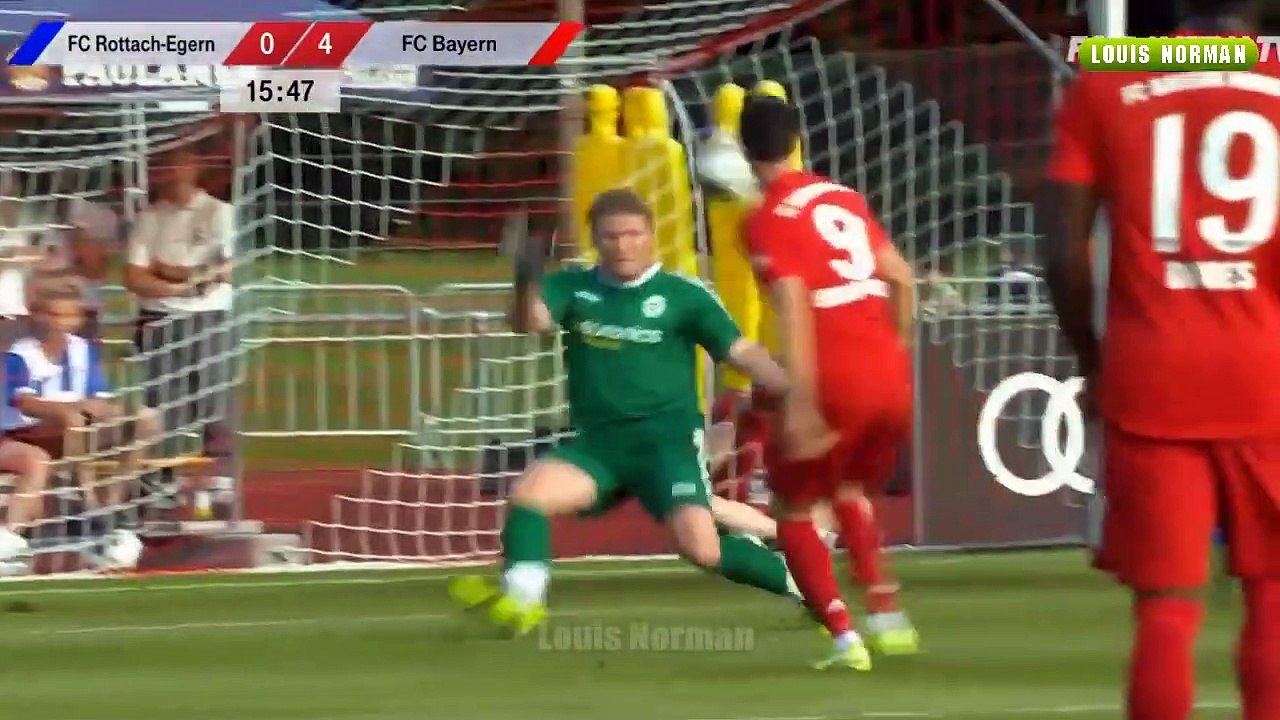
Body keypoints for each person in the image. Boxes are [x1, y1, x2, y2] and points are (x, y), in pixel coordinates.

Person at [1042, 2, 1280, 717]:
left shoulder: (1107, 82)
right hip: (1266, 375)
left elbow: (1063, 253)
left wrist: (1092, 361)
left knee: (1168, 608)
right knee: (1273, 592)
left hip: (1150, 375)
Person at [449, 188, 806, 635]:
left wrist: (790, 386)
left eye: (633, 234)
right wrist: (525, 283)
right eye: (611, 236)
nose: (623, 245)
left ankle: (804, 586)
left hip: (667, 448)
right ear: (596, 240)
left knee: (703, 550)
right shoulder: (575, 287)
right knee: (529, 496)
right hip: (600, 447)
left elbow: (739, 350)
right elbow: (530, 322)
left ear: (651, 235)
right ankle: (524, 601)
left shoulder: (683, 295)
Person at [737, 95, 919, 670]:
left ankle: (845, 637)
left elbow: (793, 303)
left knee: (792, 506)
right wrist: (896, 352)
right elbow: (903, 279)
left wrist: (802, 398)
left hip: (832, 375)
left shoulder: (764, 218)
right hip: (889, 373)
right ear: (797, 141)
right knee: (848, 487)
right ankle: (887, 614)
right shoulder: (845, 197)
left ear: (745, 151)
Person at [124, 145, 236, 494]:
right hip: (158, 318)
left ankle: (221, 475)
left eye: (179, 165)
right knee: (161, 405)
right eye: (166, 167)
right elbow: (134, 277)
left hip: (208, 318)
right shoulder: (150, 217)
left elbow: (224, 270)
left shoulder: (219, 212)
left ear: (194, 168)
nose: (172, 174)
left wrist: (168, 271)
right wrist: (184, 284)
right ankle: (162, 479)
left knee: (213, 398)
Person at [3, 287, 160, 516]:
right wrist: (75, 407)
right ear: (39, 316)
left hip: (84, 425)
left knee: (146, 418)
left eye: (69, 315)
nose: (61, 323)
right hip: (33, 430)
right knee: (74, 418)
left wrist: (105, 408)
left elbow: (99, 397)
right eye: (55, 315)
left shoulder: (84, 349)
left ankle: (114, 499)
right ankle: (86, 500)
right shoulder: (21, 354)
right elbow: (25, 404)